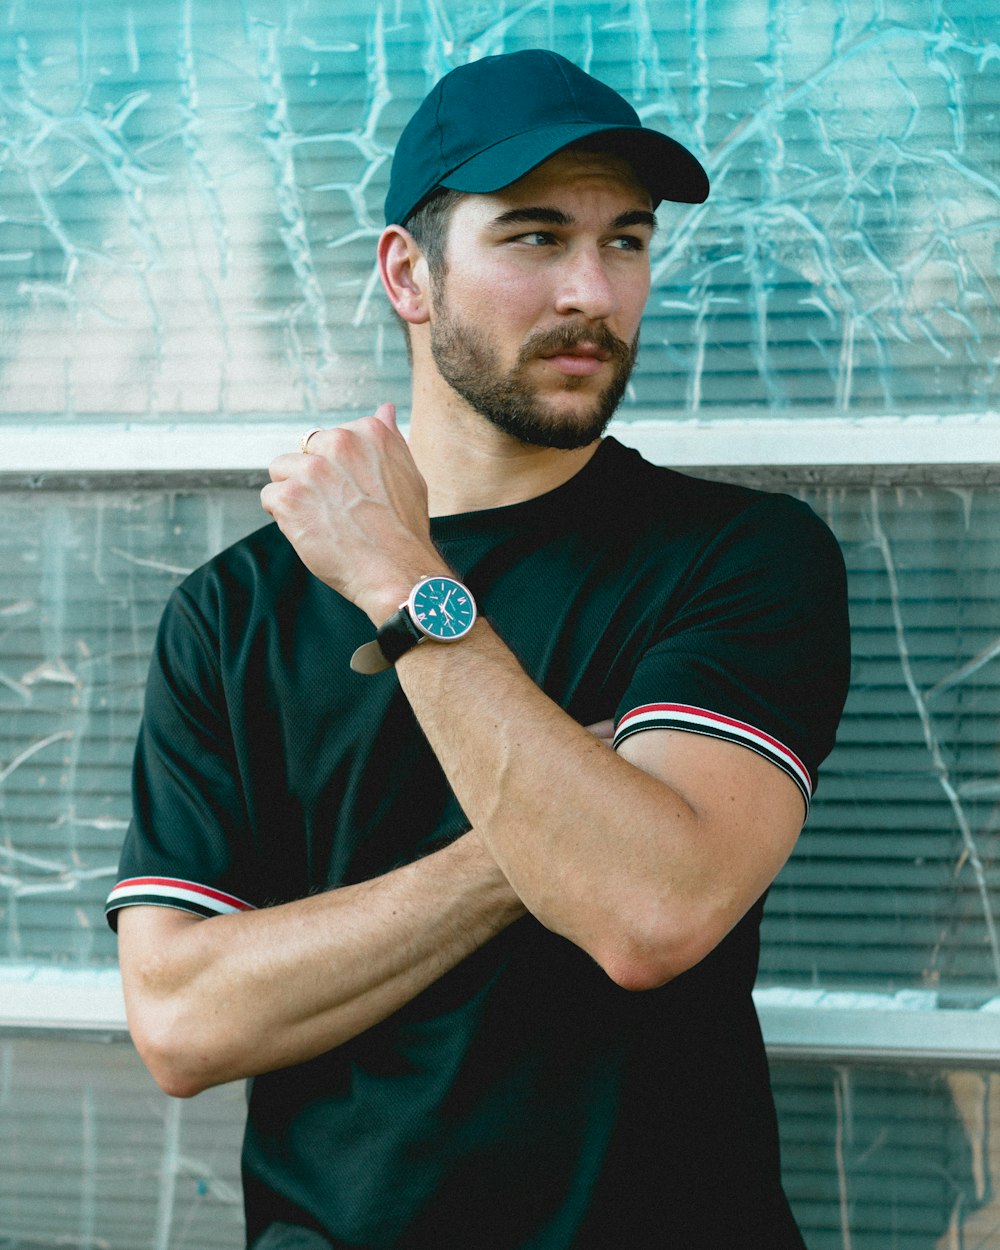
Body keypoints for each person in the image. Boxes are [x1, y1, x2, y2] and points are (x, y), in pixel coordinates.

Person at [107, 49, 850, 1249]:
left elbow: (648, 910)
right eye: (535, 237)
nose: (592, 294)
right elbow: (184, 1021)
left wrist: (402, 581)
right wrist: (551, 823)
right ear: (408, 272)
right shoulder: (234, 612)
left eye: (627, 242)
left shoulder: (742, 558)